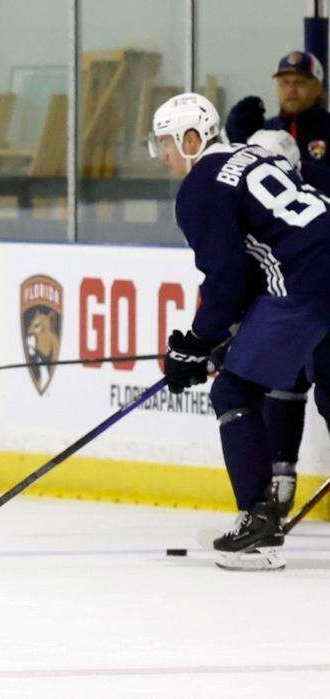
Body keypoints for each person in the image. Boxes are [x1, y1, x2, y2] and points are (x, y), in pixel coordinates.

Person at [150, 92, 330, 571]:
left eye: (165, 142)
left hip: (307, 281)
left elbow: (229, 276)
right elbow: (258, 261)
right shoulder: (253, 154)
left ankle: (258, 528)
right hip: (320, 265)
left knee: (232, 392)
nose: (162, 153)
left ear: (192, 139)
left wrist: (197, 344)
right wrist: (218, 338)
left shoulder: (199, 187)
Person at [223, 50, 330, 516]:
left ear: (318, 87)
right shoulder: (262, 132)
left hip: (321, 273)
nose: (290, 88)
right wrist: (236, 136)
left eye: (300, 81)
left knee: (327, 381)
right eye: (283, 80)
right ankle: (280, 479)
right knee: (282, 382)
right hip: (285, 280)